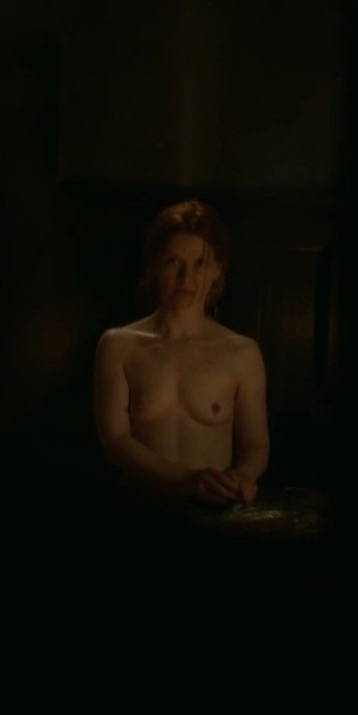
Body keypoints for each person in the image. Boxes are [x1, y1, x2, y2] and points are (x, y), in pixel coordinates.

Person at [94, 200, 270, 514]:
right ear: (154, 266)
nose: (186, 277)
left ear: (217, 270)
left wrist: (241, 477)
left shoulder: (242, 353)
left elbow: (255, 444)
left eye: (200, 263)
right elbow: (115, 440)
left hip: (212, 516)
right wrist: (187, 479)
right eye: (173, 261)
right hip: (138, 511)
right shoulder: (119, 346)